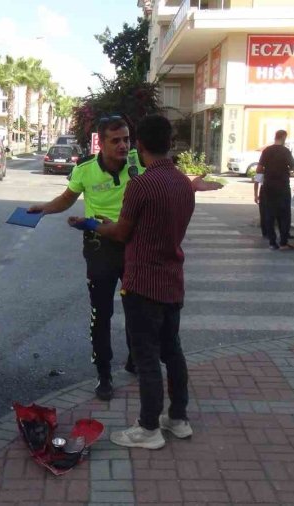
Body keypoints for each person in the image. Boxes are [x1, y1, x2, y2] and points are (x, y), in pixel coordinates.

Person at [68, 115, 221, 450]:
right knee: (173, 351)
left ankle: (149, 427)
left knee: (147, 356)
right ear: (171, 144)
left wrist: (91, 225)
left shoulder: (140, 185)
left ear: (139, 145)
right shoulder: (183, 183)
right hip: (172, 277)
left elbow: (122, 232)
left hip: (142, 282)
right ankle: (178, 418)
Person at [27, 116, 144, 401]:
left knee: (137, 308)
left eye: (126, 139)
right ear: (100, 143)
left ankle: (135, 358)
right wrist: (44, 208)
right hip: (99, 245)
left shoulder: (137, 165)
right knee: (102, 313)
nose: (123, 145)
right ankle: (104, 374)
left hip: (133, 244)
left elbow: (160, 187)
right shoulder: (85, 170)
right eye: (115, 140)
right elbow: (67, 199)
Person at [256, 130, 294, 250]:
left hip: (268, 186)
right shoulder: (285, 151)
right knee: (284, 214)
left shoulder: (266, 151)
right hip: (282, 186)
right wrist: (290, 170)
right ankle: (283, 242)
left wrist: (268, 173)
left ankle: (272, 242)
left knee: (270, 214)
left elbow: (259, 168)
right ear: (284, 137)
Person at [253, 172, 270, 238]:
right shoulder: (263, 168)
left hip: (276, 189)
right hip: (265, 189)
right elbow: (256, 182)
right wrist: (256, 195)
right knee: (264, 212)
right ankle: (265, 232)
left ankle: (269, 231)